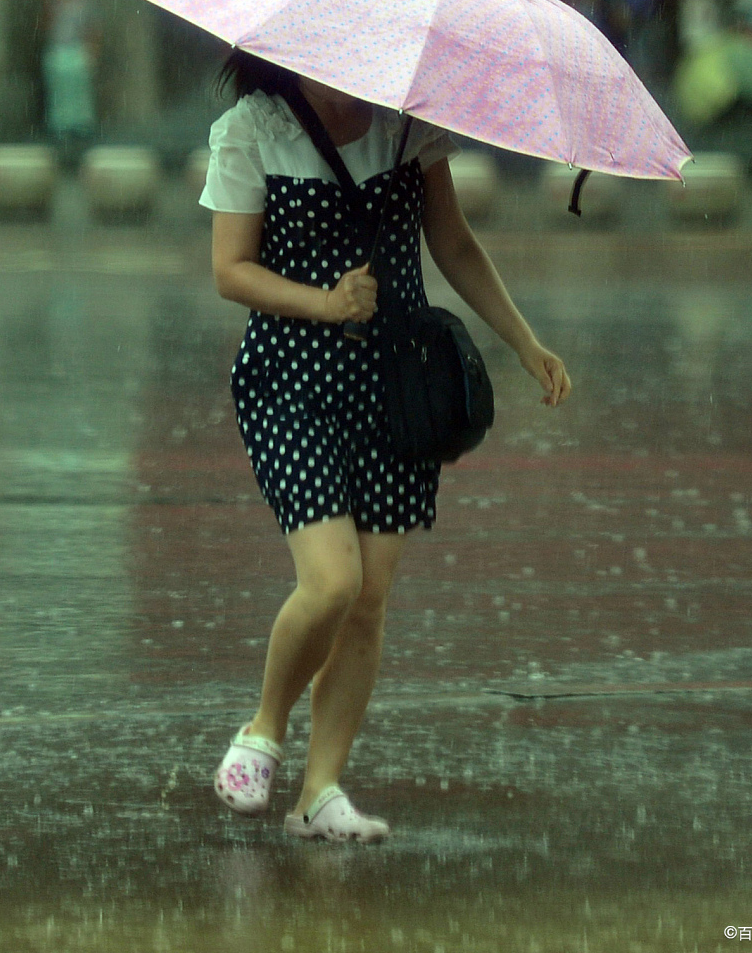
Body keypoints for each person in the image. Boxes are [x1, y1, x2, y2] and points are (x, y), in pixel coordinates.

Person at [200, 50, 571, 842]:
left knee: (368, 600)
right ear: (299, 63)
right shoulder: (252, 130)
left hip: (398, 384)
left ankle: (320, 792)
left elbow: (455, 246)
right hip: (289, 379)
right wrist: (324, 303)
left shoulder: (410, 135)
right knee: (330, 581)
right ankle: (261, 730)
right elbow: (231, 271)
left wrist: (525, 343)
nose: (360, 84)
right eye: (343, 69)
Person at [42, 0, 100, 146]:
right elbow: (46, 25)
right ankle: (60, 125)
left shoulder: (83, 2)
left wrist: (92, 51)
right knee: (59, 90)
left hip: (77, 49)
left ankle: (81, 125)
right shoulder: (54, 2)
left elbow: (93, 27)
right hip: (58, 49)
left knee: (79, 89)